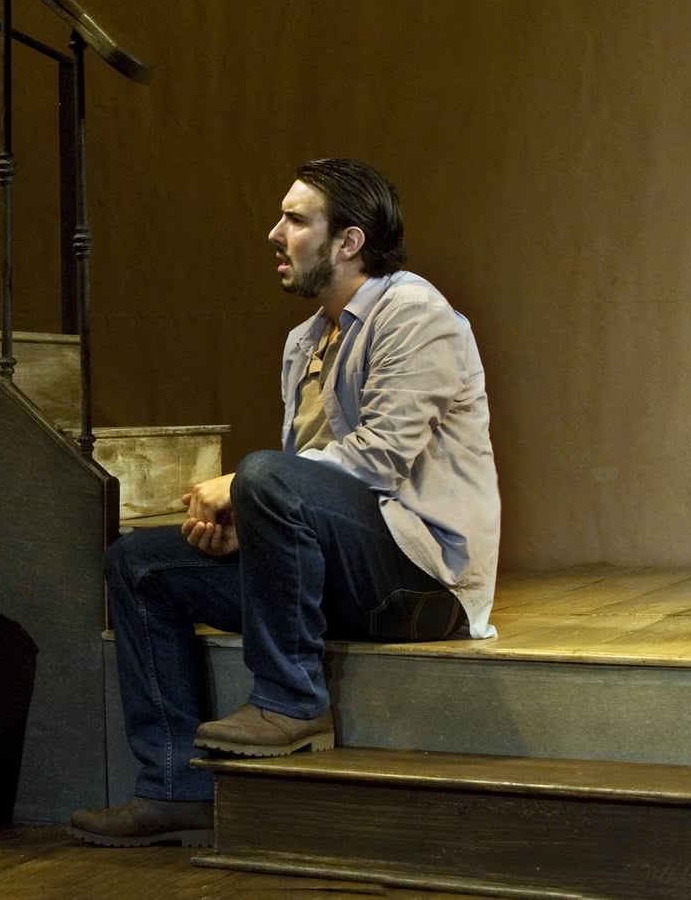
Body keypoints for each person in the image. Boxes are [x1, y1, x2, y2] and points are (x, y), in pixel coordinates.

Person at [68, 159, 499, 847]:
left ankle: (291, 700)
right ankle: (175, 790)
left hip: (420, 584)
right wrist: (251, 528)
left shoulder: (415, 313)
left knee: (264, 470)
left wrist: (245, 488)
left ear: (349, 241)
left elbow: (378, 459)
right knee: (139, 565)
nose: (275, 233)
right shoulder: (304, 341)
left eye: (296, 219)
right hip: (340, 574)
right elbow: (308, 492)